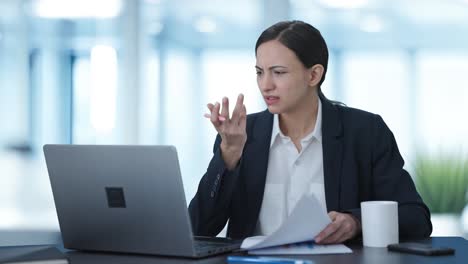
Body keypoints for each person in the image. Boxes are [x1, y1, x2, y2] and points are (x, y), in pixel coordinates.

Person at [188, 20, 432, 244]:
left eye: (279, 72)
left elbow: (415, 217)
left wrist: (356, 222)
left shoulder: (365, 131)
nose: (265, 85)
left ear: (314, 74)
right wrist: (229, 154)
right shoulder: (241, 135)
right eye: (260, 72)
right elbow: (198, 228)